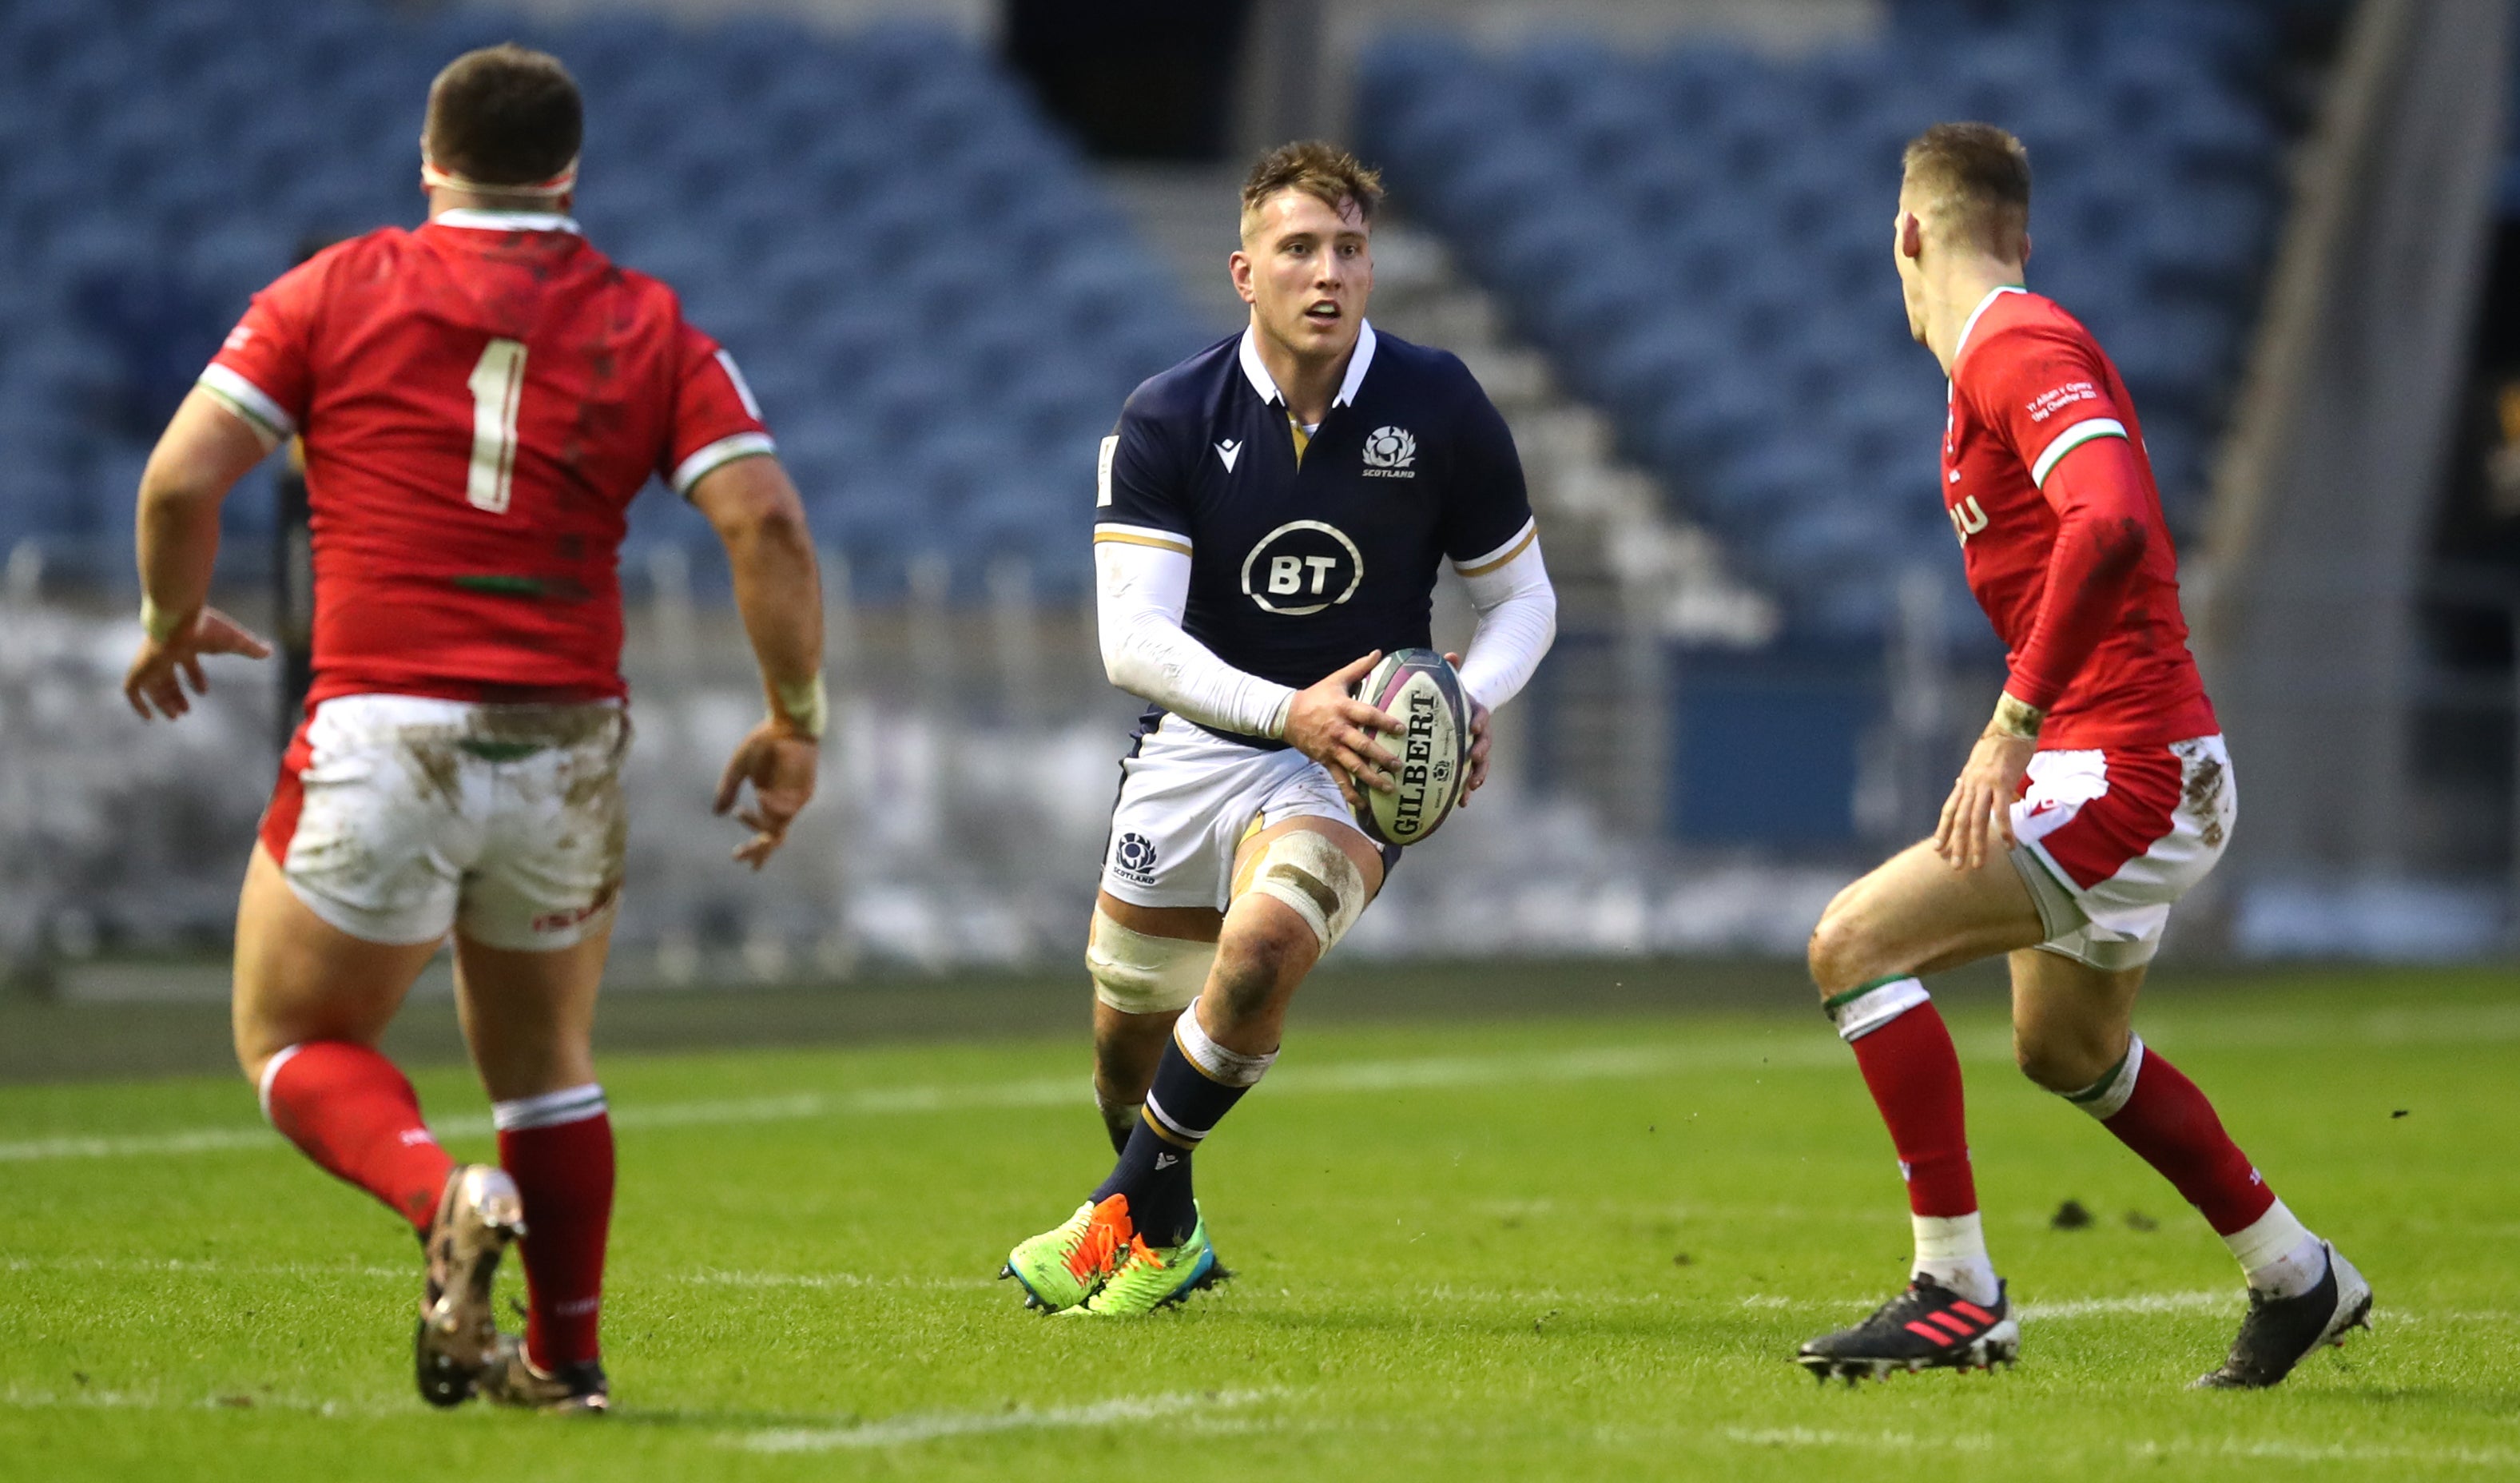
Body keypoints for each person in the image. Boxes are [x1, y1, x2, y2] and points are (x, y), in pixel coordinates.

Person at [120, 44, 826, 1413]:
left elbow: (178, 481)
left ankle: (436, 1192)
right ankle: (566, 1365)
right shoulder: (648, 321)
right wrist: (793, 717)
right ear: (569, 172)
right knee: (547, 1065)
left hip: (383, 725)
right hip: (564, 738)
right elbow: (767, 522)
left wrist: (168, 615)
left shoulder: (330, 290)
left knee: (289, 1037)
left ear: (430, 161)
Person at [1791, 122, 2367, 1387]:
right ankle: (2297, 1274)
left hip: (2133, 768)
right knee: (2066, 1049)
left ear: (1906, 234)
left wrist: (2009, 724)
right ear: (2021, 231)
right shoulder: (1998, 361)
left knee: (1853, 944)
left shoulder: (2015, 345)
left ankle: (1955, 1292)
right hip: (2114, 758)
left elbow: (2107, 525)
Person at [1000, 141, 1556, 1316]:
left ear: (1372, 268)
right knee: (1125, 1039)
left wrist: (1469, 700)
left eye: (1349, 249)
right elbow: (1131, 644)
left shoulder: (1439, 403)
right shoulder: (1166, 415)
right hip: (1199, 743)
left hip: (1353, 757)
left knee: (1257, 957)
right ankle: (1168, 1234)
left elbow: (1523, 601)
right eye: (1299, 248)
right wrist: (1282, 711)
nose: (1328, 273)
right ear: (1244, 272)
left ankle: (1112, 1211)